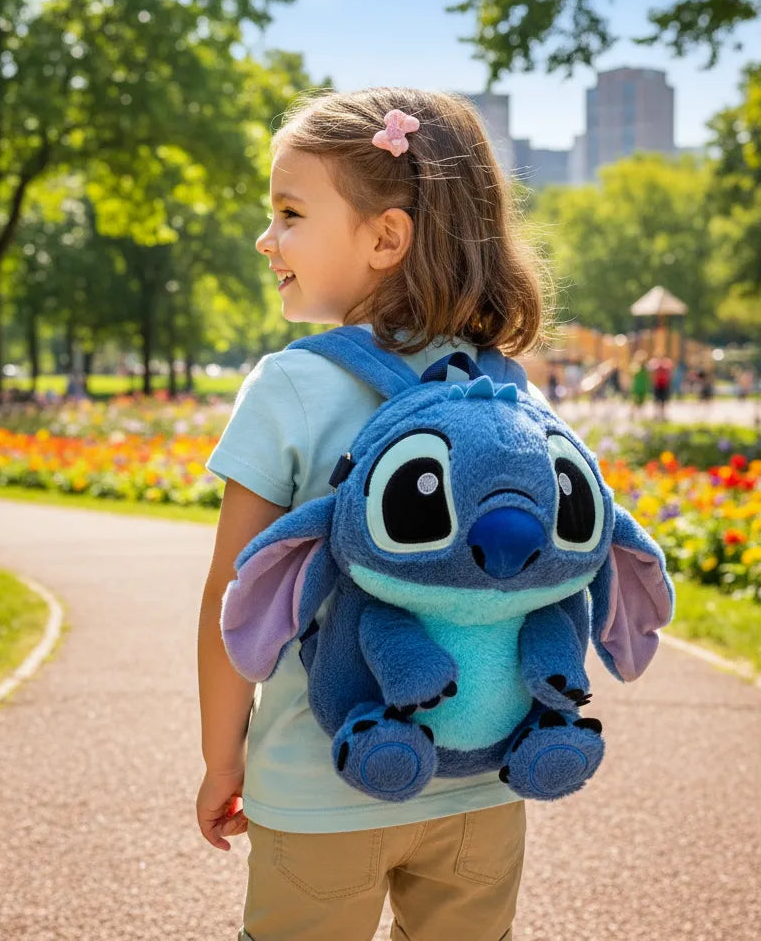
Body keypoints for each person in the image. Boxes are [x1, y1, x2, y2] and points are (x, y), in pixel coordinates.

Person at [198, 88, 552, 941]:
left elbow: (235, 601)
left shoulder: (289, 386)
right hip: (482, 782)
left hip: (319, 781)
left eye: (288, 213)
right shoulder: (506, 389)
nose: (266, 238)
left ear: (386, 238)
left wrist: (222, 758)